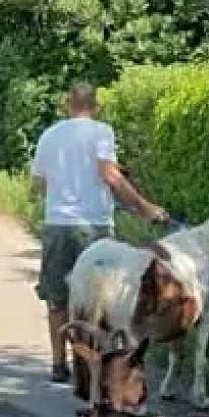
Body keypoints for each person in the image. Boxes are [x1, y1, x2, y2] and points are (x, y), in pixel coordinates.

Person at [30, 82, 169, 386]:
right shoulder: (101, 132)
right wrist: (144, 208)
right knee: (101, 299)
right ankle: (100, 365)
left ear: (67, 104)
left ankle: (58, 363)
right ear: (95, 106)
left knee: (57, 298)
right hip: (94, 225)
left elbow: (39, 184)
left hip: (57, 225)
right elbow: (109, 174)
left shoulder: (48, 136)